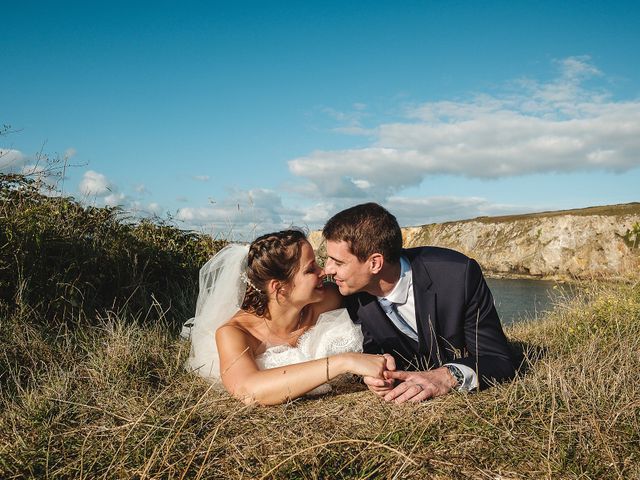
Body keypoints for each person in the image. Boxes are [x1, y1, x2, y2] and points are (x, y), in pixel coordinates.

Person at [322, 203, 515, 404]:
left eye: (338, 262)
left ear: (375, 263)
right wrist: (375, 373)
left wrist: (447, 377)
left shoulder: (458, 276)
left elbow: (497, 359)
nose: (327, 269)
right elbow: (370, 348)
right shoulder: (351, 293)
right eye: (329, 259)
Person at [184, 229, 392, 405]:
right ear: (279, 287)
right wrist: (345, 361)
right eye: (311, 269)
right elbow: (247, 390)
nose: (324, 272)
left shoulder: (330, 298)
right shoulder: (235, 332)